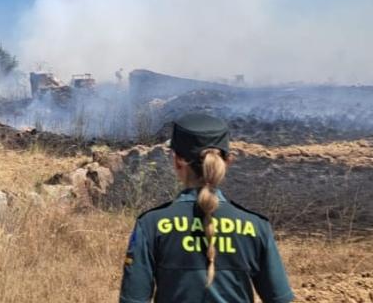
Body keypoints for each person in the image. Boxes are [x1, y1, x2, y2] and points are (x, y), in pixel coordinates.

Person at [119, 113, 294, 303]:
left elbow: (133, 299)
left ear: (177, 161)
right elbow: (279, 299)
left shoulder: (150, 225)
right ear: (227, 162)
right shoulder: (256, 226)